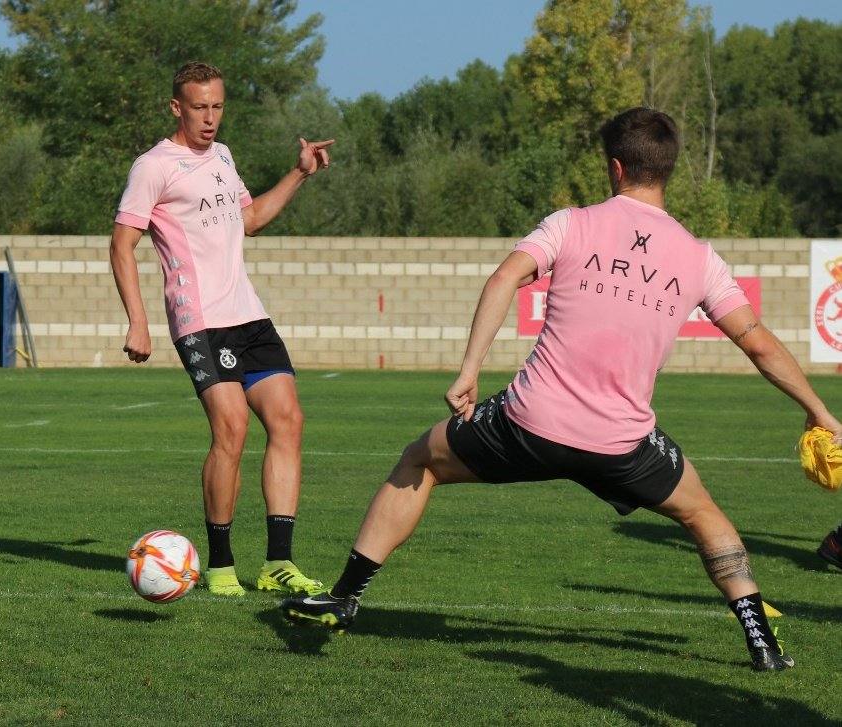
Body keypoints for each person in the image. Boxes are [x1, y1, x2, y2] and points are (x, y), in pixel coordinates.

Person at [281, 107, 842, 671]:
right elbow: (760, 344)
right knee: (706, 517)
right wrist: (818, 409)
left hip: (526, 425)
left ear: (616, 168)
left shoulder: (571, 223)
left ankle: (345, 597)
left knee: (419, 460)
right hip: (622, 445)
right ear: (667, 170)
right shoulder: (700, 259)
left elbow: (504, 277)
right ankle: (761, 642)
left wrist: (470, 369)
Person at [110, 62, 334, 597]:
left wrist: (299, 172)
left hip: (248, 313)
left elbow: (250, 220)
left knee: (289, 420)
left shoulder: (223, 156)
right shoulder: (153, 167)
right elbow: (122, 243)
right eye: (199, 108)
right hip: (200, 320)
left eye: (217, 107)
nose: (210, 118)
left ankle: (277, 561)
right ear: (176, 108)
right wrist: (138, 321)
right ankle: (220, 564)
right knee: (231, 429)